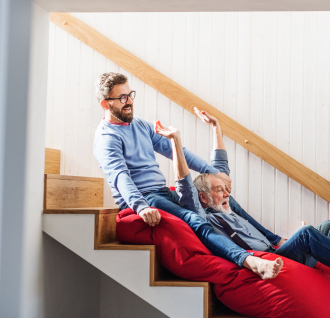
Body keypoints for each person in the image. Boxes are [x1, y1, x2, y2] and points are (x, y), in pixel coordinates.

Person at [155, 107, 330, 288]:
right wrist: (176, 141)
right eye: (219, 189)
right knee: (306, 234)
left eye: (225, 187)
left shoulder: (228, 206)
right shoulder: (201, 215)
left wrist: (216, 127)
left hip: (277, 248)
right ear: (203, 197)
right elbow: (184, 185)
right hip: (272, 260)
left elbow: (221, 167)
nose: (227, 191)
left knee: (328, 227)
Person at [93, 72, 282, 280]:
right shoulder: (107, 138)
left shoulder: (139, 124)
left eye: (130, 95)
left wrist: (212, 171)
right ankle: (250, 261)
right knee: (194, 218)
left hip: (162, 192)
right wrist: (141, 206)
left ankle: (274, 241)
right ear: (105, 104)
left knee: (222, 198)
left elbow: (175, 149)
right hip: (145, 197)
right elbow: (121, 177)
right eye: (122, 98)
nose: (129, 102)